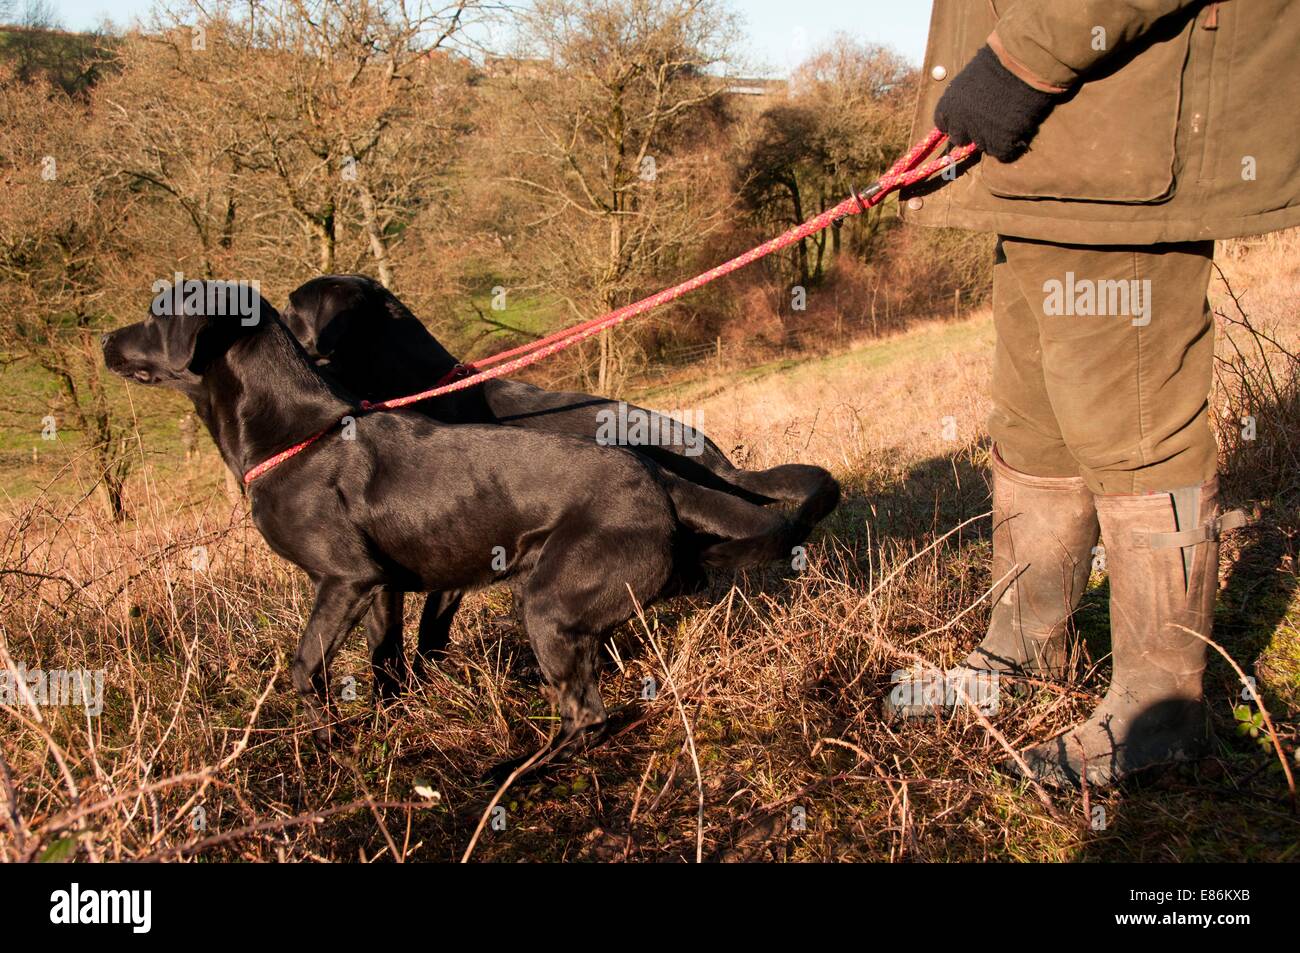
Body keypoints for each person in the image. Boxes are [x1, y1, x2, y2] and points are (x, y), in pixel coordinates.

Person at [899, 0, 1299, 786]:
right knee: (1037, 418)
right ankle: (1022, 649)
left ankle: (1159, 711)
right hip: (1052, 142)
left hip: (1121, 127)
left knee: (1135, 431)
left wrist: (1020, 59)